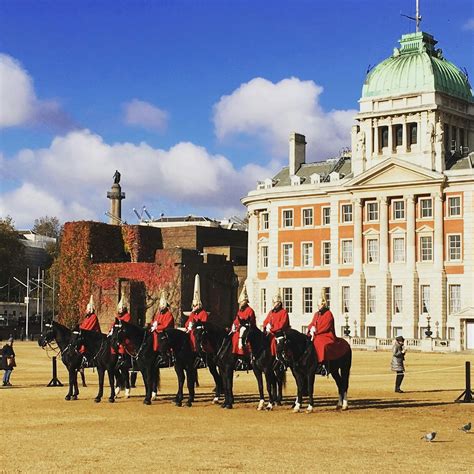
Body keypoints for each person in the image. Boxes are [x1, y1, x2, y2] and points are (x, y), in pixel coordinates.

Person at [307, 294, 350, 373]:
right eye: (318, 305)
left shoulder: (328, 314)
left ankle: (323, 365)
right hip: (316, 334)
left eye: (320, 305)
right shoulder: (316, 314)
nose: (319, 307)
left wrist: (316, 330)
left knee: (322, 345)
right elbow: (312, 323)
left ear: (324, 304)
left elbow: (326, 326)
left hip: (327, 335)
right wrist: (310, 328)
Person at [184, 274, 209, 352]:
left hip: (199, 333)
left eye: (196, 305)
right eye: (193, 305)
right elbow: (187, 323)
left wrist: (194, 326)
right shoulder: (192, 314)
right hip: (191, 332)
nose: (194, 307)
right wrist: (188, 326)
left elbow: (203, 323)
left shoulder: (203, 313)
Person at [230, 284, 256, 356]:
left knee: (243, 336)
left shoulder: (250, 310)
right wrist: (234, 325)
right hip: (240, 328)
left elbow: (250, 321)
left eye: (241, 302)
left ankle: (245, 354)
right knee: (234, 336)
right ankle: (235, 353)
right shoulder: (240, 311)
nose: (240, 304)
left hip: (248, 328)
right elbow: (237, 319)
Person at [79, 295, 101, 367]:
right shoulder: (87, 317)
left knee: (84, 343)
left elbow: (89, 328)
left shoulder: (93, 317)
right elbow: (83, 326)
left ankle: (86, 359)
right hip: (87, 335)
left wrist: (81, 331)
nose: (86, 310)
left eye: (87, 309)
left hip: (94, 337)